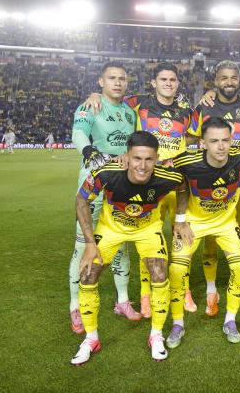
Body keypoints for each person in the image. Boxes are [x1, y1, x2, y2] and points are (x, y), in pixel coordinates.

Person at [82, 62, 195, 316]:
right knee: (150, 240)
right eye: (163, 79)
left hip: (175, 181)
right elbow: (113, 97)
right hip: (146, 181)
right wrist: (95, 94)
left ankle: (183, 289)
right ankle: (146, 296)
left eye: (172, 80)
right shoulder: (138, 103)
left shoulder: (186, 111)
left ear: (177, 84)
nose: (168, 83)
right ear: (153, 83)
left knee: (180, 236)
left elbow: (196, 134)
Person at [71, 131, 183, 365]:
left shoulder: (168, 177)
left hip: (148, 229)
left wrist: (181, 220)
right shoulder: (107, 172)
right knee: (88, 274)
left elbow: (183, 189)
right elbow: (81, 200)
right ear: (127, 156)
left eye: (149, 159)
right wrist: (90, 244)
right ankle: (91, 338)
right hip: (111, 228)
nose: (142, 166)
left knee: (161, 274)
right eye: (137, 159)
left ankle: (156, 335)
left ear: (157, 158)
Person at [186, 60, 240, 317]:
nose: (229, 82)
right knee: (210, 241)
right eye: (223, 78)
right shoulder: (204, 107)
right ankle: (211, 289)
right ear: (215, 80)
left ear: (239, 80)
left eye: (233, 77)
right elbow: (189, 139)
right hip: (212, 183)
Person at [167, 117, 240, 348]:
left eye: (225, 140)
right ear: (203, 143)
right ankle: (177, 323)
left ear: (231, 140)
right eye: (214, 141)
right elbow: (175, 181)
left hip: (225, 223)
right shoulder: (186, 161)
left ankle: (230, 319)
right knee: (176, 269)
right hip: (193, 223)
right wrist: (181, 220)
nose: (221, 146)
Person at [69, 62, 139, 335]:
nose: (118, 82)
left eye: (122, 78)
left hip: (121, 186)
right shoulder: (91, 105)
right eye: (112, 78)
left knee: (121, 243)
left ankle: (122, 301)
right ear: (101, 82)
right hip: (93, 184)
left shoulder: (129, 111)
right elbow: (78, 132)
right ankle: (75, 305)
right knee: (82, 245)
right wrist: (89, 151)